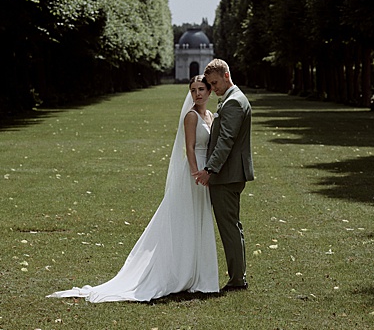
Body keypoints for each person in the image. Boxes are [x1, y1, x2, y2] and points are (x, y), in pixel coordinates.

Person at [48, 76, 218, 302]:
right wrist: (196, 173)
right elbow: (188, 148)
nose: (197, 94)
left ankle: (197, 271)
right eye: (194, 90)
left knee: (198, 218)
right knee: (185, 218)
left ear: (209, 91)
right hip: (193, 174)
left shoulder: (210, 116)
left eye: (201, 89)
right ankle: (181, 270)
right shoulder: (191, 116)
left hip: (205, 172)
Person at [194, 58, 253, 291]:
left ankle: (238, 279)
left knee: (229, 228)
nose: (213, 88)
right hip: (230, 174)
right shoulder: (232, 99)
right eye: (209, 83)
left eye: (215, 82)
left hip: (227, 176)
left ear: (226, 75)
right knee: (231, 226)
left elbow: (225, 141)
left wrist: (210, 169)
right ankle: (238, 276)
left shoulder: (234, 103)